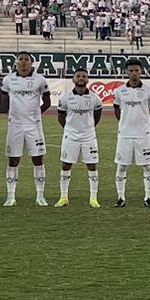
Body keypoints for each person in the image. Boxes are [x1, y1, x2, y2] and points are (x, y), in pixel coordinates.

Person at [0, 52, 52, 208]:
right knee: (13, 160)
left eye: (26, 60)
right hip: (14, 125)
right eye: (20, 59)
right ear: (16, 63)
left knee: (38, 159)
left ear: (31, 63)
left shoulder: (39, 80)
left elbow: (47, 102)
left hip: (33, 126)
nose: (23, 62)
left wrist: (35, 115)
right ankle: (10, 196)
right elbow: (4, 100)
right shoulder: (8, 80)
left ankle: (40, 195)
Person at [53, 68, 103, 209]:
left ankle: (93, 198)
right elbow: (61, 118)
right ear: (73, 79)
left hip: (89, 137)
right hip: (71, 137)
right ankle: (63, 197)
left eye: (84, 76)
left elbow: (97, 117)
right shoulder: (65, 98)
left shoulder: (94, 98)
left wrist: (88, 128)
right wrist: (71, 129)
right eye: (78, 76)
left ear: (87, 80)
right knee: (66, 165)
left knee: (92, 165)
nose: (81, 78)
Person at [111, 60, 150, 207]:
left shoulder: (148, 91)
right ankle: (120, 198)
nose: (134, 73)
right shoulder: (119, 91)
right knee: (122, 166)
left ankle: (148, 198)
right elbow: (117, 110)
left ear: (141, 71)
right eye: (131, 70)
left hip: (143, 135)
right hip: (124, 134)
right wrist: (126, 123)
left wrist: (143, 124)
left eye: (136, 70)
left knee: (147, 166)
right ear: (126, 72)